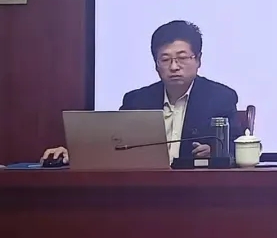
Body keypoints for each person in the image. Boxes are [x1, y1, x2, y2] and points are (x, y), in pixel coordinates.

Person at [42, 20, 240, 164]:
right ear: (156, 64)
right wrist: (73, 154)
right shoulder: (137, 100)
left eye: (182, 58)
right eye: (165, 59)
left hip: (197, 191)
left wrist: (216, 153)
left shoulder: (220, 98)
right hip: (143, 189)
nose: (174, 66)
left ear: (198, 59)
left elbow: (238, 146)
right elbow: (113, 144)